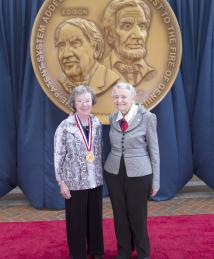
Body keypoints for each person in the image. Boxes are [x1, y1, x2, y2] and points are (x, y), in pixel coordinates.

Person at [104, 82, 160, 259]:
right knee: (119, 215)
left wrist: (156, 181)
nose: (119, 100)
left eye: (123, 97)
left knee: (138, 216)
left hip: (139, 174)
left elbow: (154, 150)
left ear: (133, 98)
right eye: (116, 97)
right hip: (113, 173)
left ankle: (143, 253)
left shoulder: (148, 117)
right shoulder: (113, 118)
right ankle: (124, 251)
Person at [54, 85, 104, 259]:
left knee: (95, 219)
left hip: (95, 180)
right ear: (74, 103)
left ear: (92, 102)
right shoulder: (65, 126)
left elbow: (97, 151)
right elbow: (58, 155)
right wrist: (61, 182)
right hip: (74, 182)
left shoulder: (96, 123)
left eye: (87, 100)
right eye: (80, 101)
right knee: (76, 222)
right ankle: (78, 254)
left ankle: (96, 251)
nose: (84, 104)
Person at [55, 17, 119, 95]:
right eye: (61, 45)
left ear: (96, 48)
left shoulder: (108, 78)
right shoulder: (61, 81)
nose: (66, 54)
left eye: (75, 43)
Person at [103, 0, 155, 86]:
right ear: (110, 33)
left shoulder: (153, 74)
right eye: (127, 26)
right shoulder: (97, 73)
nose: (139, 35)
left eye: (142, 26)